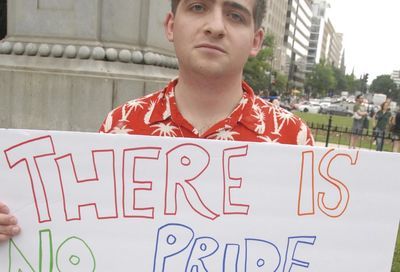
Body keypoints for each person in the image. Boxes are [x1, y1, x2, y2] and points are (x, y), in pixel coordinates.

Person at [0, 0, 314, 242]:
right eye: (198, 7)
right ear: (171, 25)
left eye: (235, 15)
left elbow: (311, 243)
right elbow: (85, 229)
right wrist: (17, 226)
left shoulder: (291, 137)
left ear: (256, 40)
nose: (216, 26)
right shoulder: (122, 125)